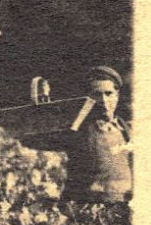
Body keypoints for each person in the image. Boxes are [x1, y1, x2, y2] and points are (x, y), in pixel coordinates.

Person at [21, 65, 134, 203]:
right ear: (88, 98)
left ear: (117, 95)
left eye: (108, 93)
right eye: (97, 94)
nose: (103, 101)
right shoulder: (77, 130)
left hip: (126, 204)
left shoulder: (127, 130)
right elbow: (37, 141)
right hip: (93, 206)